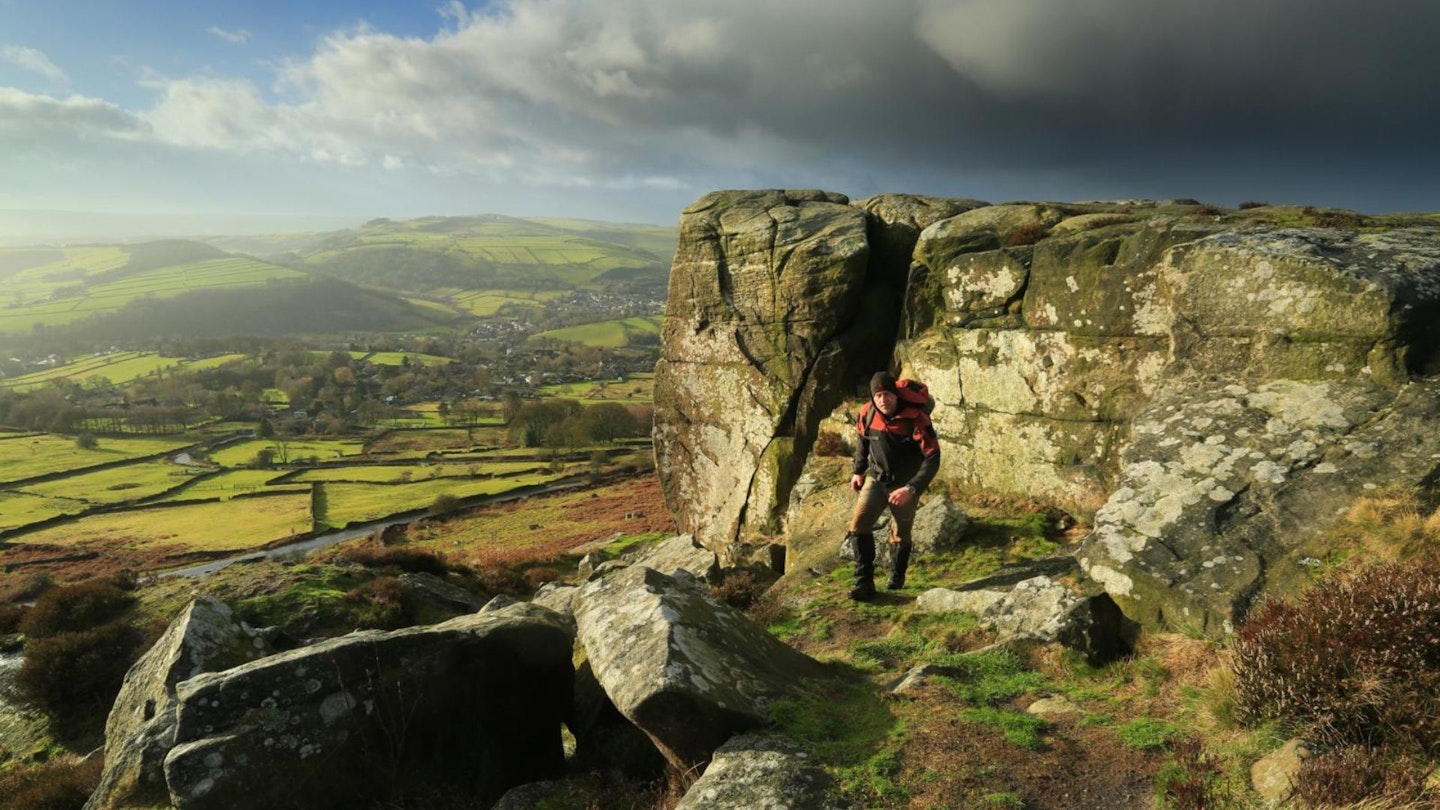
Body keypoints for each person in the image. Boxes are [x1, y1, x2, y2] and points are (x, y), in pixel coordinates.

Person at [846, 371, 940, 600]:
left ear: (896, 395)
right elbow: (863, 442)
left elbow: (933, 457)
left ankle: (897, 576)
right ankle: (864, 582)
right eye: (878, 395)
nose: (882, 400)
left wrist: (912, 488)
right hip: (876, 479)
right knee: (858, 526)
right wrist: (858, 472)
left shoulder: (916, 418)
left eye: (887, 394)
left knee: (901, 533)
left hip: (905, 485)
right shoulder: (867, 413)